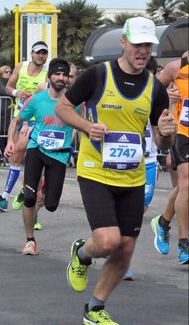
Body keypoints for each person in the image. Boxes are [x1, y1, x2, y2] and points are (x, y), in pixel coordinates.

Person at [55, 17, 176, 324]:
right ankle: (83, 253)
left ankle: (95, 310)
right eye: (137, 44)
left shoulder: (155, 88)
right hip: (96, 172)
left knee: (124, 250)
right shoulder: (98, 75)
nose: (143, 50)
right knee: (108, 242)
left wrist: (165, 130)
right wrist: (87, 126)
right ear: (123, 43)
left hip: (132, 176)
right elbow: (63, 107)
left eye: (148, 45)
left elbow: (161, 139)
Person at [3, 59, 75, 255]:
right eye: (57, 74)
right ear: (49, 76)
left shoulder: (72, 101)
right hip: (37, 150)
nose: (61, 78)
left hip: (59, 156)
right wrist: (11, 141)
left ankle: (36, 195)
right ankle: (29, 240)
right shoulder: (37, 99)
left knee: (51, 205)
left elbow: (83, 123)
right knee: (29, 198)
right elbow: (17, 120)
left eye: (64, 75)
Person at [0, 41, 48, 211]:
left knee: (25, 155)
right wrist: (17, 93)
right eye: (38, 53)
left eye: (44, 53)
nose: (40, 56)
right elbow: (8, 87)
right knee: (16, 157)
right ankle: (7, 197)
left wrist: (33, 122)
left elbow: (45, 100)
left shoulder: (46, 74)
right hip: (19, 117)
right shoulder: (21, 67)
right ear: (31, 53)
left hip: (34, 121)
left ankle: (24, 194)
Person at [151, 50, 189, 265]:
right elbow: (152, 88)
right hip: (182, 131)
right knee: (186, 185)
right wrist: (168, 93)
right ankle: (184, 244)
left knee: (185, 186)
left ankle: (163, 222)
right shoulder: (177, 67)